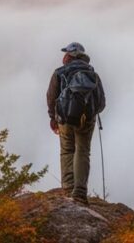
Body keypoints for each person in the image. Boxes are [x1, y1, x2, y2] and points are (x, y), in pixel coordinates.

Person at [46, 42, 106, 205]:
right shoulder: (92, 74)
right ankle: (79, 193)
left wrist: (53, 118)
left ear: (71, 55)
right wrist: (91, 114)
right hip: (86, 119)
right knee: (83, 151)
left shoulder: (59, 72)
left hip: (64, 119)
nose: (63, 56)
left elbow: (51, 97)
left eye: (66, 53)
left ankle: (68, 188)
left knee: (67, 150)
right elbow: (101, 102)